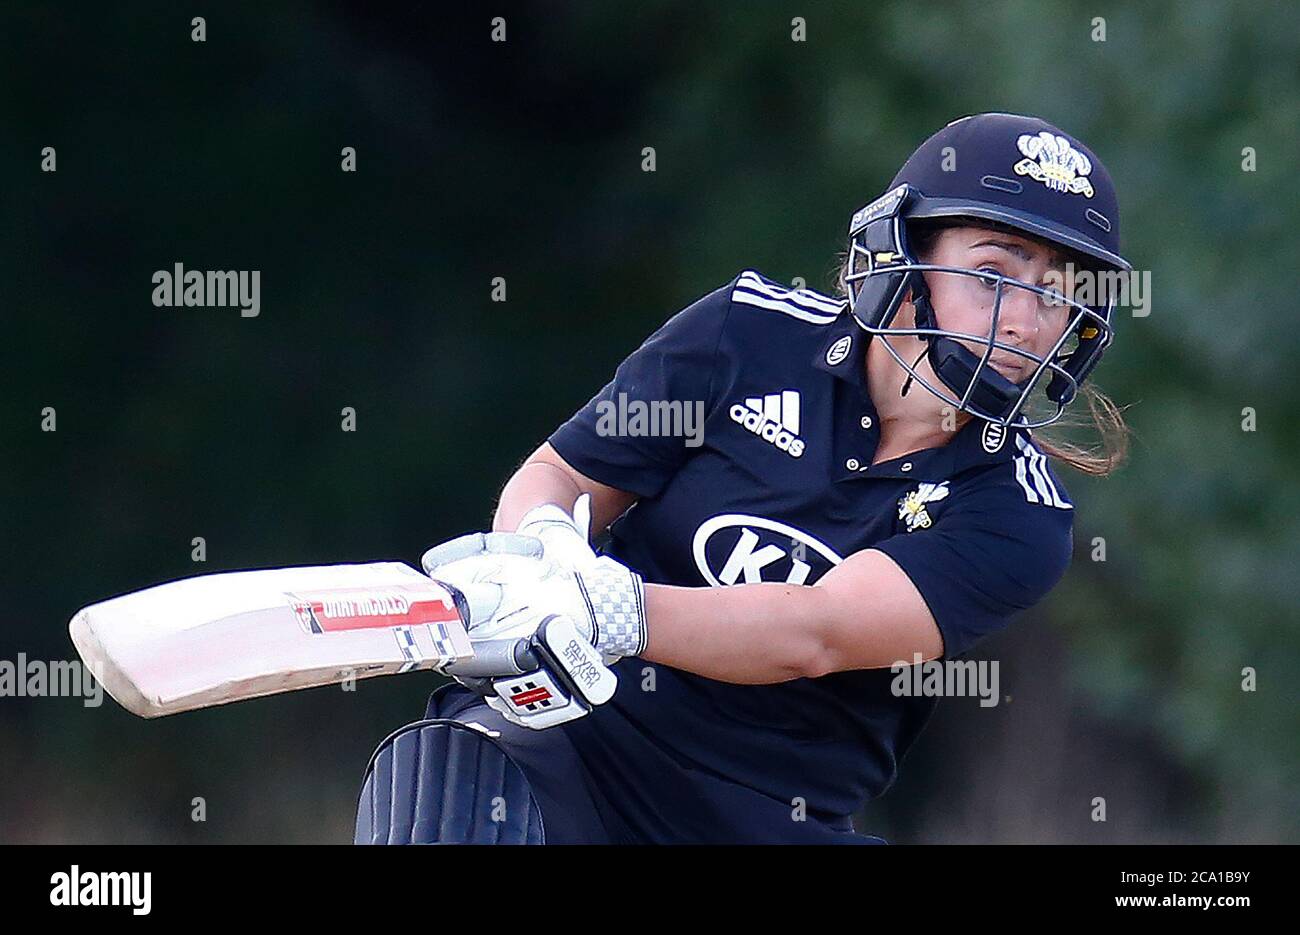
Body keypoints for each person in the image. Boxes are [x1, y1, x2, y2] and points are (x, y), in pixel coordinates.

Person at [354, 112, 1132, 844]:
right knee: (452, 782)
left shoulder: (1021, 514)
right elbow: (559, 475)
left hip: (766, 815)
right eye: (994, 276)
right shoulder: (746, 333)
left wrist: (616, 608)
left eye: (1057, 293)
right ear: (903, 259)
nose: (1028, 323)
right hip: (576, 739)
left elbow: (815, 632)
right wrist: (544, 550)